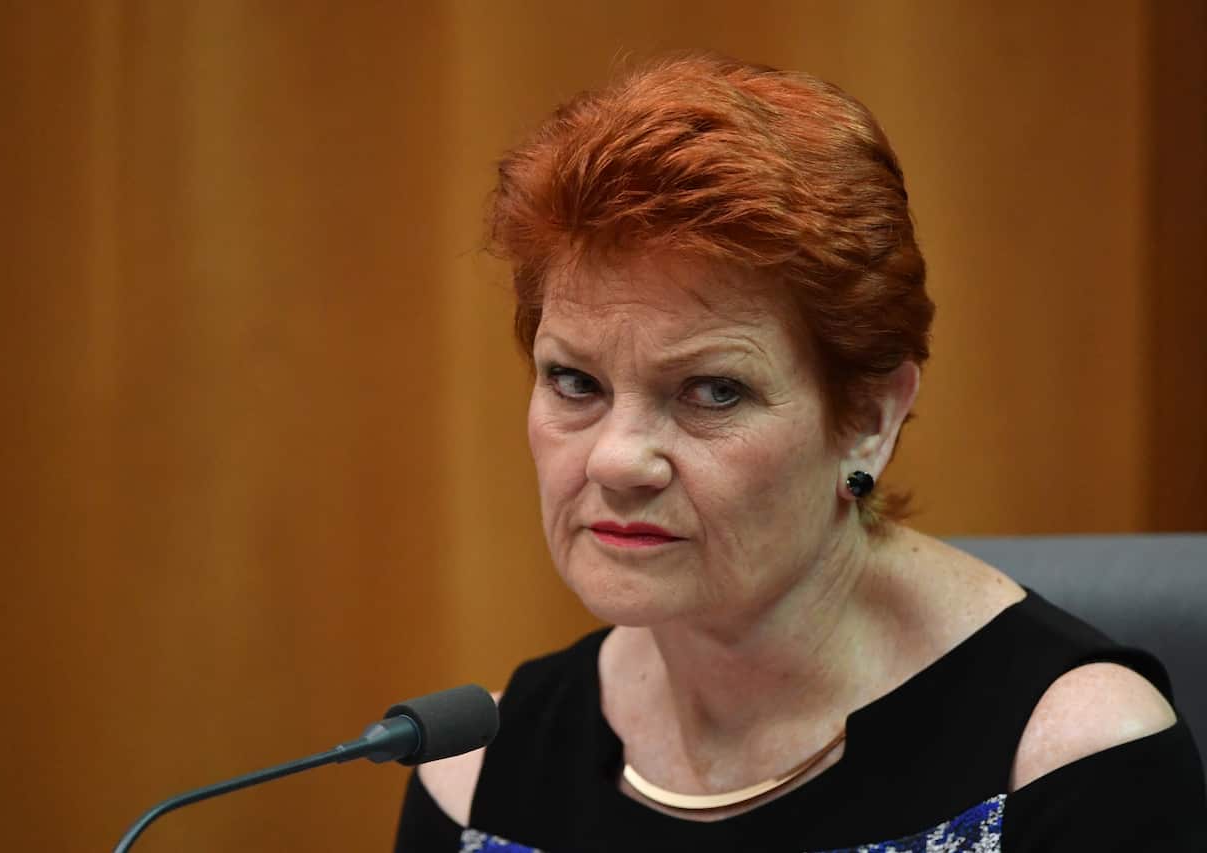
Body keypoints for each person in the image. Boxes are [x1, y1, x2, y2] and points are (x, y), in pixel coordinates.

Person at [395, 54, 1206, 851]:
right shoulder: (473, 776)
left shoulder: (1075, 761)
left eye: (713, 391)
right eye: (576, 381)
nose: (616, 460)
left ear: (869, 418)